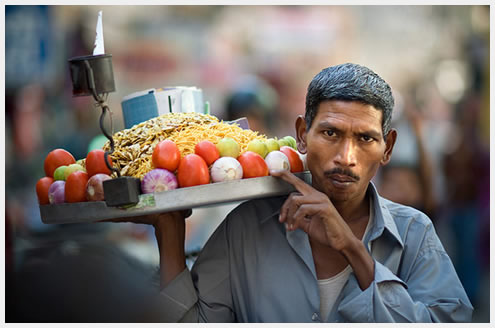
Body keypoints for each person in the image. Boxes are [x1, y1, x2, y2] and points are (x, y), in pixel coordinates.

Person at [111, 63, 472, 322]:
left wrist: (351, 248)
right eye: (330, 134)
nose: (346, 158)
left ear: (387, 147)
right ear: (302, 134)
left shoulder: (413, 233)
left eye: (365, 139)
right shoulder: (247, 227)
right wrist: (169, 233)